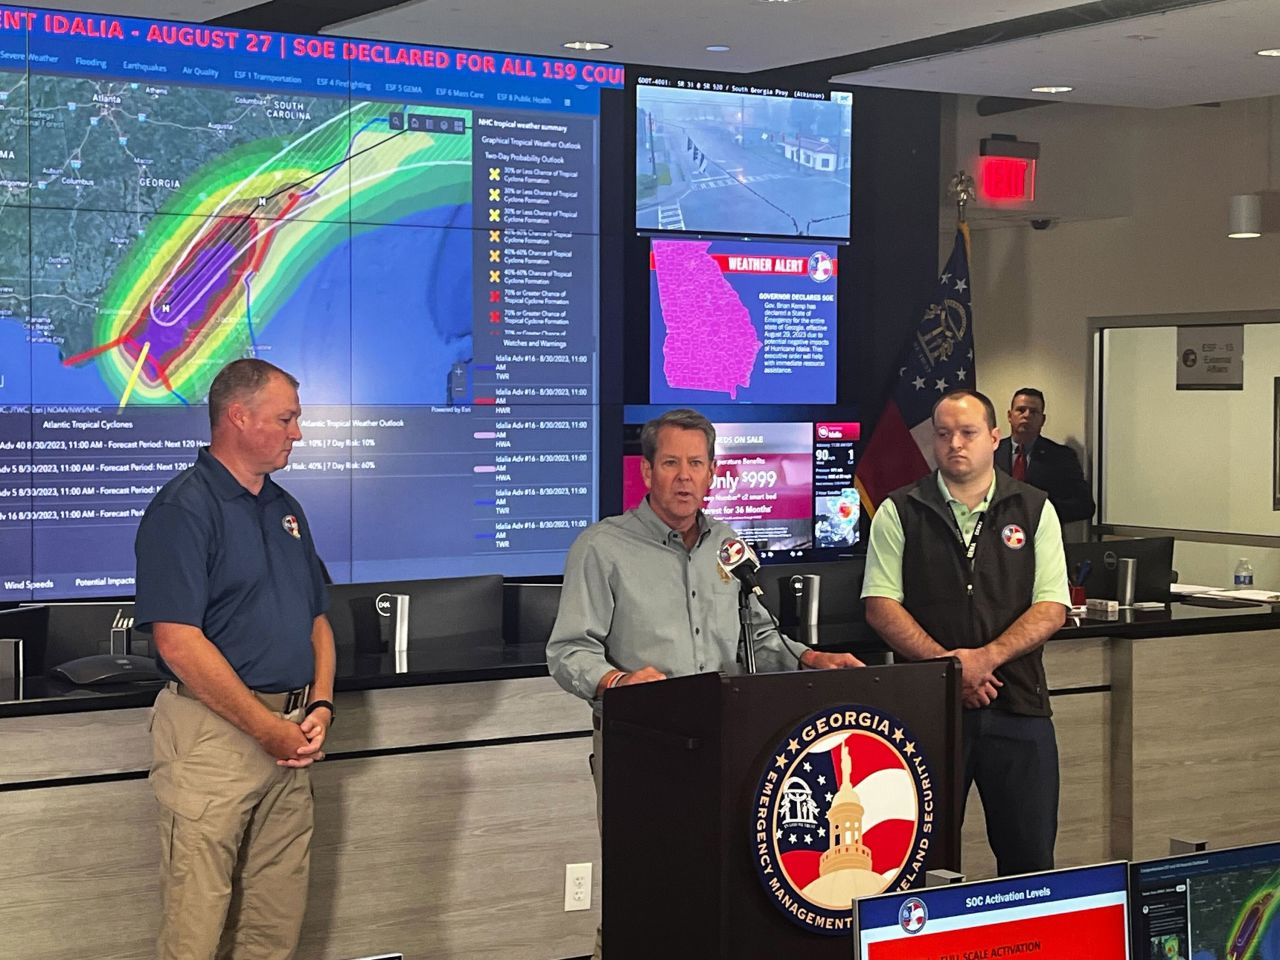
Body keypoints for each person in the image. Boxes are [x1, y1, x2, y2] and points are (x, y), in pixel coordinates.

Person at [546, 408, 861, 958]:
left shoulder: (729, 545)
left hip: (730, 748)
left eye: (697, 463)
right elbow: (567, 651)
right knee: (650, 894)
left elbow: (758, 638)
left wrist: (811, 658)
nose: (685, 476)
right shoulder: (601, 548)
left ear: (714, 472)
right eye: (671, 462)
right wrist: (617, 680)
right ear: (646, 472)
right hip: (645, 752)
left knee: (727, 890)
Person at [134, 358, 335, 960]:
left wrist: (320, 702)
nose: (297, 432)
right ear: (238, 417)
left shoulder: (285, 507)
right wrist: (266, 728)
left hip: (292, 735)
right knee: (196, 922)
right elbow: (178, 641)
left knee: (275, 919)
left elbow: (317, 618)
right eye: (286, 418)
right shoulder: (183, 510)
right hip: (214, 739)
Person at [861, 389, 1070, 876]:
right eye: (944, 433)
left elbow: (1052, 607)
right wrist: (951, 669)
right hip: (930, 713)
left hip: (1019, 706)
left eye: (969, 432)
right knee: (919, 864)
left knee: (1031, 862)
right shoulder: (900, 510)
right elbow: (880, 605)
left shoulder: (1035, 508)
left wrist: (985, 659)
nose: (955, 443)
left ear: (994, 438)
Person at [995, 387, 1095, 524]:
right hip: (996, 537)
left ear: (1042, 420)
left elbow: (1085, 506)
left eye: (1034, 412)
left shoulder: (1061, 456)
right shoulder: (991, 453)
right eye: (1021, 410)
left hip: (1042, 535)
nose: (1027, 415)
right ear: (1009, 416)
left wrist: (1040, 510)